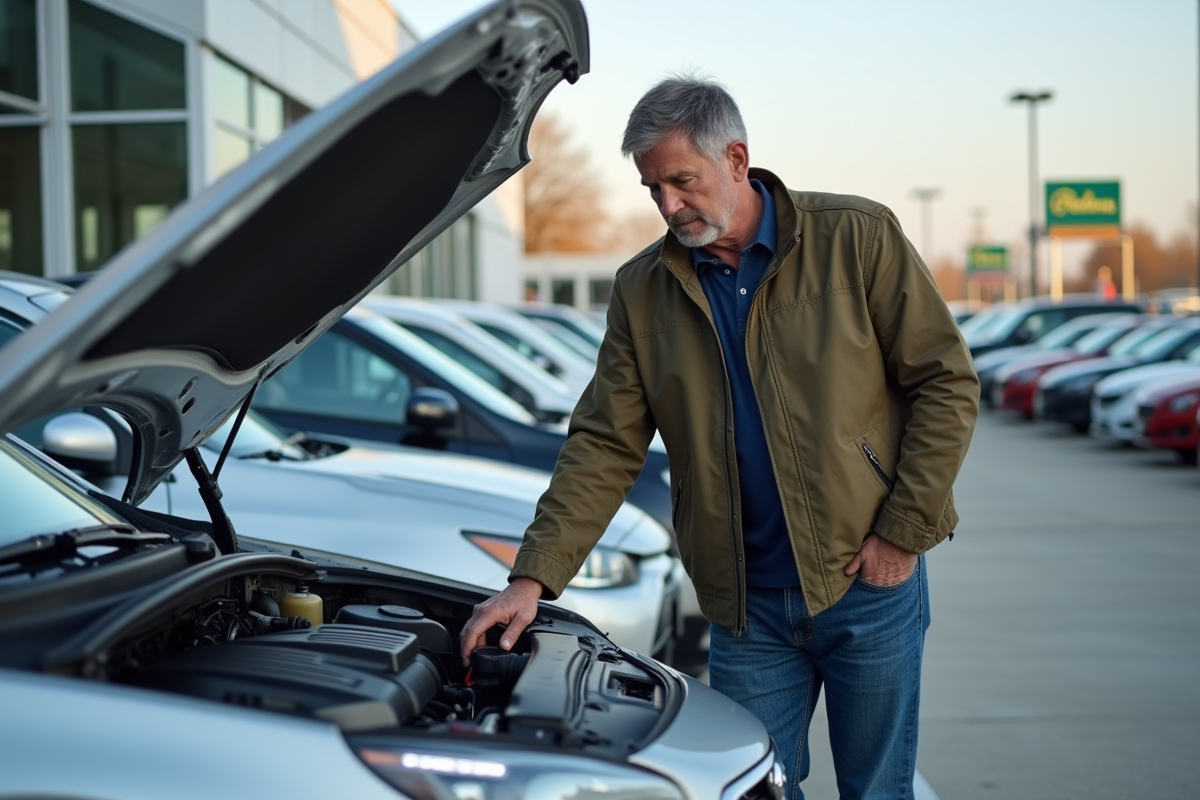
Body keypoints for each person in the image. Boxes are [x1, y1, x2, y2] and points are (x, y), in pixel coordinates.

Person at [460, 75, 979, 800]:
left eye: (682, 181)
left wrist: (902, 532)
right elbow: (605, 442)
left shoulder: (856, 237)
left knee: (876, 790)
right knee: (748, 789)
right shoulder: (643, 290)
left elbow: (946, 383)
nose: (669, 205)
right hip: (746, 606)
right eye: (653, 189)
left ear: (736, 159)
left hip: (867, 584)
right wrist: (531, 577)